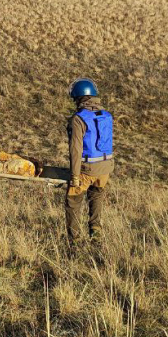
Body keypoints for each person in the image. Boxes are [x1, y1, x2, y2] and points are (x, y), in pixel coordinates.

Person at [64, 78, 114, 247]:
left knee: (73, 202)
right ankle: (96, 235)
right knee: (96, 198)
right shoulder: (106, 116)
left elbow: (75, 151)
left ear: (78, 97)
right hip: (105, 169)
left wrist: (74, 176)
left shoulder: (79, 119)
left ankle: (75, 243)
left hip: (86, 169)